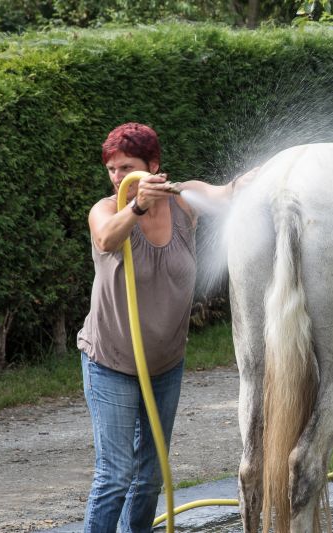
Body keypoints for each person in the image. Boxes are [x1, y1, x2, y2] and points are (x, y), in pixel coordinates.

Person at [77, 122, 246, 532]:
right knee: (116, 476)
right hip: (111, 362)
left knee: (150, 477)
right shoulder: (106, 210)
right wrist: (134, 208)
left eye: (127, 167)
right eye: (112, 169)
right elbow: (105, 241)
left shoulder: (182, 202)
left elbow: (228, 193)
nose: (118, 177)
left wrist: (266, 173)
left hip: (165, 364)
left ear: (153, 166)